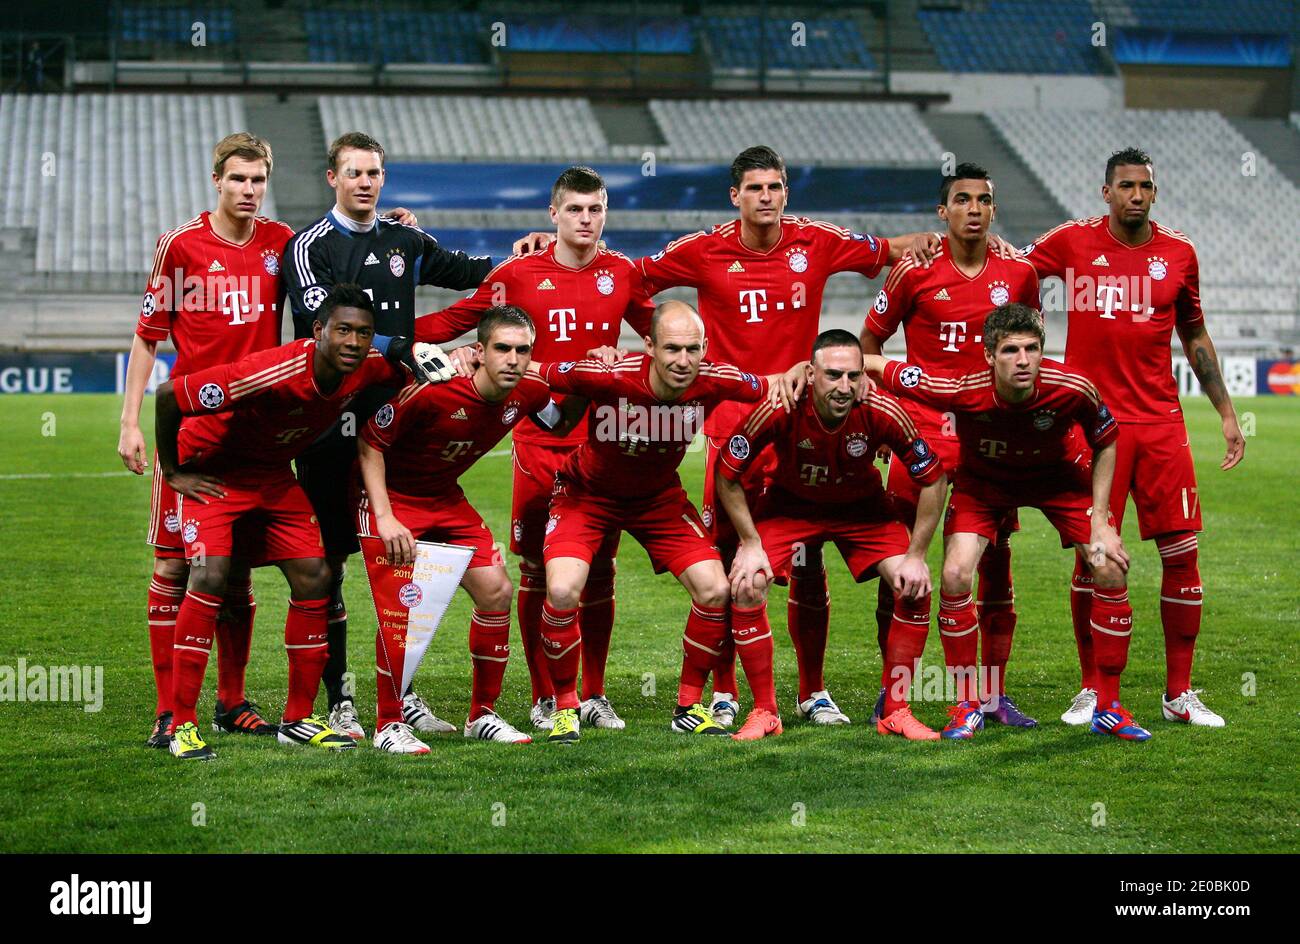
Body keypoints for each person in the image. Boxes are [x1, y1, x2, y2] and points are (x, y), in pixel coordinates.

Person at [283, 131, 550, 740]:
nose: (366, 182)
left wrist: (530, 254)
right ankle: (343, 697)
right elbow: (327, 324)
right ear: (333, 178)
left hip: (394, 423)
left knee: (407, 580)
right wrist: (406, 347)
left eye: (374, 172)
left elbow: (470, 271)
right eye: (354, 172)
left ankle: (401, 698)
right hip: (332, 425)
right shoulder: (310, 246)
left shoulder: (405, 238)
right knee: (329, 570)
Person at [415, 166, 654, 733]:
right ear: (553, 215)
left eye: (596, 209)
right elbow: (457, 319)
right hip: (538, 441)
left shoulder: (620, 273)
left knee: (599, 571)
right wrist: (388, 332)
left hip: (602, 445)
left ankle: (591, 694)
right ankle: (546, 697)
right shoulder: (518, 272)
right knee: (536, 571)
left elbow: (661, 335)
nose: (586, 220)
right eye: (575, 210)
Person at [1021, 147, 1242, 727]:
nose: (1137, 195)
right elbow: (1015, 275)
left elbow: (1195, 334)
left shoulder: (1179, 253)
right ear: (1106, 192)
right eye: (1126, 186)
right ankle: (1093, 689)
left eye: (1145, 185)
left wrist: (1225, 411)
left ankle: (1179, 693)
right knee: (1093, 558)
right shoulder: (1071, 242)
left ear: (1154, 191)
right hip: (1093, 425)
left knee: (1183, 555)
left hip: (1162, 424)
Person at [865, 303, 1153, 741]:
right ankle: (967, 705)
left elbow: (1107, 441)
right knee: (956, 574)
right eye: (1011, 350)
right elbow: (886, 366)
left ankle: (1109, 705)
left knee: (1109, 564)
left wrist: (1101, 521)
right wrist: (823, 364)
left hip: (1059, 480)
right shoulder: (962, 389)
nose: (1023, 360)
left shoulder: (1072, 387)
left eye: (1032, 349)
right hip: (985, 486)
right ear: (988, 356)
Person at [153, 284, 413, 759]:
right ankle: (181, 725)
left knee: (316, 574)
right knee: (209, 574)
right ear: (318, 331)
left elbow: (408, 357)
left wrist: (456, 357)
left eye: (364, 333)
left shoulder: (367, 369)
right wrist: (173, 471)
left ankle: (296, 719)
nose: (354, 342)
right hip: (214, 472)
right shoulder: (269, 372)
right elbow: (170, 396)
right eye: (343, 331)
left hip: (272, 478)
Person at [526, 301, 802, 743]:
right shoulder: (608, 374)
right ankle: (564, 706)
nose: (683, 361)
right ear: (649, 345)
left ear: (705, 348)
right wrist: (469, 353)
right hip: (586, 495)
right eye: (672, 349)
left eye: (693, 349)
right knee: (561, 589)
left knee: (715, 589)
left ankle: (688, 706)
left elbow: (773, 383)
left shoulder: (714, 378)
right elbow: (533, 368)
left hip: (657, 500)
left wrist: (807, 367)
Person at [120, 132, 292, 747]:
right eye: (238, 179)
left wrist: (391, 223)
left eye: (258, 180)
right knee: (174, 565)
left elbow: (341, 256)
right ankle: (170, 710)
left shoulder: (282, 244)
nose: (248, 190)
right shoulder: (182, 247)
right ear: (216, 180)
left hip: (254, 436)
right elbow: (148, 337)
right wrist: (130, 422)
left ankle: (231, 700)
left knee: (236, 570)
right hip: (190, 432)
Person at [357, 304, 588, 752]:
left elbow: (559, 424)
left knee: (496, 591)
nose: (513, 360)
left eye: (523, 351)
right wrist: (385, 516)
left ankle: (482, 714)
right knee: (402, 608)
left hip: (446, 497)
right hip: (395, 500)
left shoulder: (528, 392)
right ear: (478, 351)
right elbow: (370, 443)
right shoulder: (434, 390)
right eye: (502, 349)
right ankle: (388, 724)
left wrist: (585, 387)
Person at [860, 162, 1041, 728]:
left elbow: (1028, 350)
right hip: (918, 437)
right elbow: (868, 344)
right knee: (903, 567)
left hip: (990, 441)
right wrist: (884, 424)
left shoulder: (1018, 273)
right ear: (944, 211)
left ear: (992, 209)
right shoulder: (913, 273)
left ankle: (990, 694)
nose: (974, 209)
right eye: (962, 199)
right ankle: (896, 694)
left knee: (994, 565)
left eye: (983, 200)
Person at [718, 330, 948, 740]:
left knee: (914, 586)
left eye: (853, 377)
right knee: (747, 583)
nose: (844, 387)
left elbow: (933, 478)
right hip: (790, 507)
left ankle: (895, 711)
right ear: (810, 374)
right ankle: (765, 712)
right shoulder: (780, 406)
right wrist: (750, 544)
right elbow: (727, 470)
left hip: (863, 512)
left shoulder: (882, 409)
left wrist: (917, 553)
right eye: (833, 375)